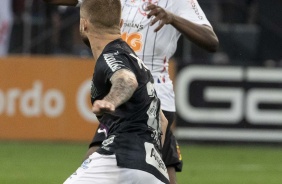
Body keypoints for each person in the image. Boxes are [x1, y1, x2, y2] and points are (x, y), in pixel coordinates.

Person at [43, 0, 219, 183]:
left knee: (101, 159)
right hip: (134, 92)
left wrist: (172, 18)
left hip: (154, 92)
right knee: (156, 170)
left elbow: (211, 41)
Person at [64, 0, 169, 183]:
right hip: (153, 171)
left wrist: (111, 100)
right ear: (120, 25)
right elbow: (163, 121)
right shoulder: (134, 59)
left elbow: (127, 80)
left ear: (83, 24)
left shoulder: (111, 56)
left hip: (120, 158)